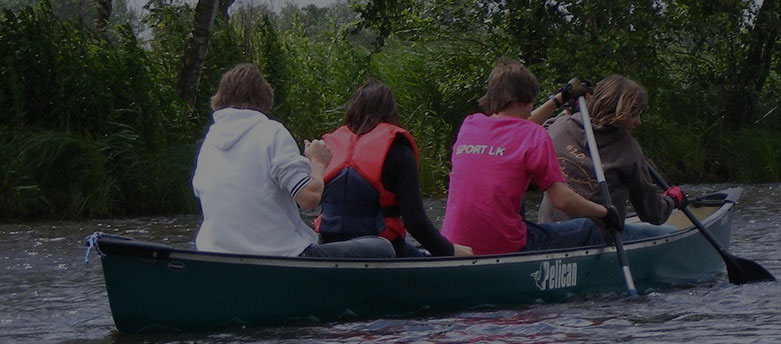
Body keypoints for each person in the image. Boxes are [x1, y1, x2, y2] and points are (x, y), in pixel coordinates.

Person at [191, 63, 394, 259]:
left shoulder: (209, 142)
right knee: (382, 248)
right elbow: (308, 198)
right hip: (280, 256)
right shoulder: (271, 132)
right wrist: (318, 162)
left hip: (214, 253)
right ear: (264, 99)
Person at [441, 59, 622, 256]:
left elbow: (517, 124)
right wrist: (604, 212)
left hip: (453, 243)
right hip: (503, 245)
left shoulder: (470, 124)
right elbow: (562, 200)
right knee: (587, 228)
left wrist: (561, 98)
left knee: (516, 199)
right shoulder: (535, 135)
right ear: (523, 99)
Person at [313, 80, 473, 257]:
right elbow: (415, 221)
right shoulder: (398, 149)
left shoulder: (325, 149)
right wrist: (449, 250)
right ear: (390, 112)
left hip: (329, 246)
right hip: (381, 249)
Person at [538, 75, 684, 241]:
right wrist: (672, 200)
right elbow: (652, 214)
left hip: (550, 231)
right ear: (620, 113)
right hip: (597, 237)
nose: (638, 122)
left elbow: (542, 126)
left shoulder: (559, 126)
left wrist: (568, 109)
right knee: (671, 232)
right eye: (634, 115)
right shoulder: (628, 148)